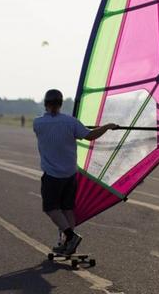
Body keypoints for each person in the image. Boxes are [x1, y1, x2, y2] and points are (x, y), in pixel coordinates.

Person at [33, 89, 117, 255]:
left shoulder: (38, 123)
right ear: (61, 103)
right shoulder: (71, 122)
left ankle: (70, 237)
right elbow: (90, 135)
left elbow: (52, 125)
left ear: (46, 104)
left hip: (52, 175)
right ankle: (68, 244)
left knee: (51, 208)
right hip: (70, 175)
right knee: (67, 209)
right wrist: (106, 126)